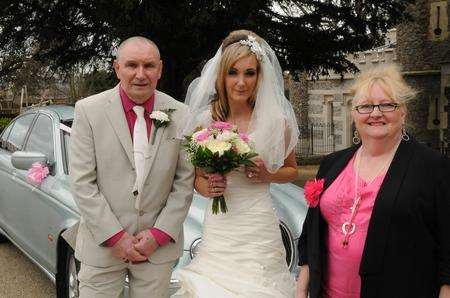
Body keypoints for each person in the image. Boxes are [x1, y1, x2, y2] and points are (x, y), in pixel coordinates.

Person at [296, 64, 450, 298]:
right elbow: (311, 235)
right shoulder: (332, 164)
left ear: (403, 111)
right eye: (366, 106)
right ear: (354, 113)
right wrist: (301, 291)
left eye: (387, 104)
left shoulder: (431, 167)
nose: (375, 113)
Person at [172, 30, 300, 297]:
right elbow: (198, 179)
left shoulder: (277, 122)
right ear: (222, 75)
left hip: (258, 222)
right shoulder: (205, 122)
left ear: (259, 76)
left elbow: (292, 170)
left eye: (249, 73)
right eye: (233, 72)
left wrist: (267, 173)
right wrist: (209, 188)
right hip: (221, 224)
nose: (241, 82)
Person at [69, 36, 194, 298]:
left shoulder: (181, 114)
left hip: (156, 250)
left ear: (160, 69)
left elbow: (184, 182)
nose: (140, 74)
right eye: (131, 65)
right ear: (117, 68)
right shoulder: (88, 111)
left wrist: (158, 234)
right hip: (102, 246)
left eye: (148, 66)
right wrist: (115, 237)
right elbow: (82, 183)